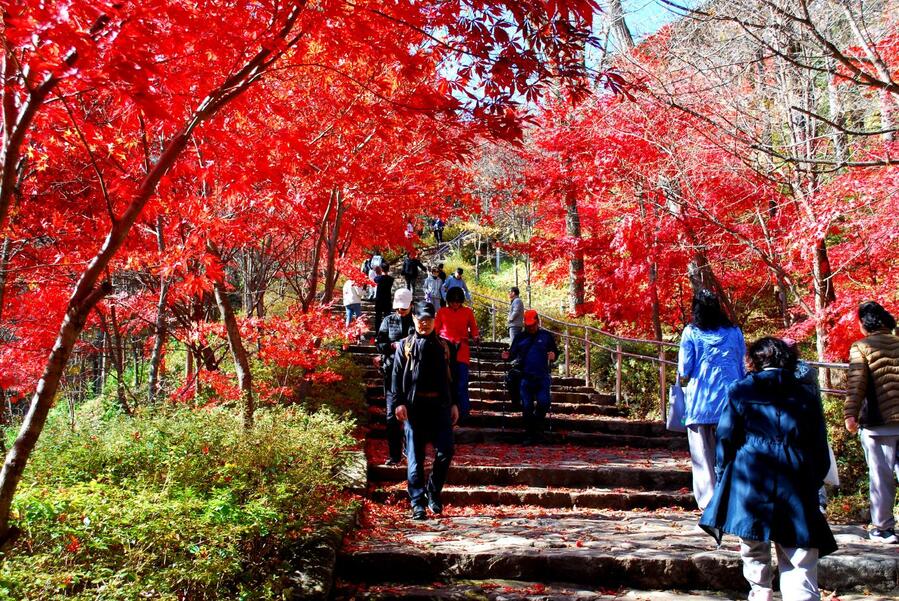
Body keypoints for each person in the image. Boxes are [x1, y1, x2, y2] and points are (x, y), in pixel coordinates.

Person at [700, 337, 837, 601]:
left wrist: (723, 473)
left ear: (753, 360)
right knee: (800, 551)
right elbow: (819, 443)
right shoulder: (804, 393)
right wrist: (814, 478)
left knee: (753, 545)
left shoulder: (740, 390)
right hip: (795, 476)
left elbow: (726, 437)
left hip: (749, 475)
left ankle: (760, 594)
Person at [677, 289, 746, 511]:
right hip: (732, 402)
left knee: (703, 457)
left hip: (700, 403)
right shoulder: (735, 332)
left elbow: (685, 369)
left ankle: (709, 505)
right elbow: (744, 366)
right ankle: (733, 500)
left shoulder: (691, 332)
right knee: (733, 454)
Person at [392, 301, 459, 520]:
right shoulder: (405, 346)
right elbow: (395, 377)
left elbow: (454, 379)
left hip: (440, 407)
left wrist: (455, 403)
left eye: (428, 320)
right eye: (421, 320)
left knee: (446, 450)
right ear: (414, 319)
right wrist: (397, 403)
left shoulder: (446, 346)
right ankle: (417, 503)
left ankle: (433, 490)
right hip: (414, 408)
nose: (424, 324)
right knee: (415, 458)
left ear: (435, 321)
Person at [844, 300, 899, 544]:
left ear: (864, 324)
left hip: (879, 424)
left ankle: (884, 529)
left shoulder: (861, 347)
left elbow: (857, 384)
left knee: (881, 477)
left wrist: (850, 414)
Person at [502, 310, 559, 445]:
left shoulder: (546, 336)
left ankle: (536, 430)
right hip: (525, 377)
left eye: (532, 325)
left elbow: (555, 352)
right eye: (528, 326)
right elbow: (512, 354)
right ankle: (530, 434)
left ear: (537, 322)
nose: (530, 328)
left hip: (542, 377)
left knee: (544, 402)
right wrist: (506, 356)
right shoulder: (520, 337)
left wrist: (553, 356)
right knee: (527, 406)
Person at [376, 288, 415, 466]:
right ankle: (394, 455)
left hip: (412, 375)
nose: (401, 311)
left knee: (412, 415)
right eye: (398, 308)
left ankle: (411, 452)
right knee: (391, 417)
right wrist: (392, 346)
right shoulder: (388, 320)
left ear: (411, 306)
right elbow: (380, 343)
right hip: (391, 374)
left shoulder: (416, 323)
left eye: (404, 309)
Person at [435, 287, 480, 420]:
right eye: (452, 301)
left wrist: (476, 337)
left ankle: (464, 414)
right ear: (448, 300)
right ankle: (445, 413)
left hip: (462, 350)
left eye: (458, 301)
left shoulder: (467, 312)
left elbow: (474, 329)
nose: (455, 304)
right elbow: (436, 330)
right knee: (446, 382)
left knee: (462, 383)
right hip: (446, 351)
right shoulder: (442, 312)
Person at [373, 265, 395, 332]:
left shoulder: (378, 278)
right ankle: (387, 332)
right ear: (388, 270)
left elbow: (375, 279)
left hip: (379, 300)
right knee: (387, 317)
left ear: (381, 270)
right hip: (387, 300)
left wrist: (379, 273)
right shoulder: (391, 279)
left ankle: (377, 333)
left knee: (378, 318)